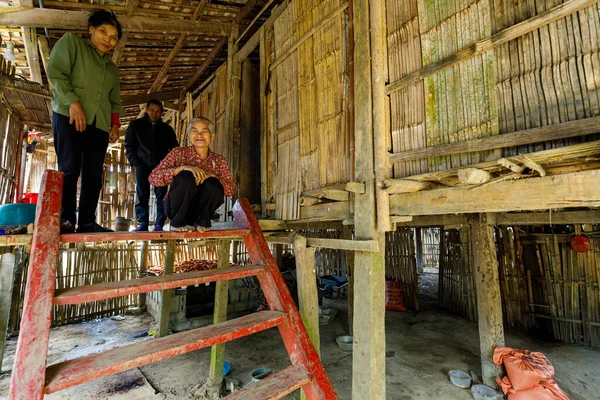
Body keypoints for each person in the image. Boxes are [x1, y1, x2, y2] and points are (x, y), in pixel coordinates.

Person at [48, 10, 124, 233]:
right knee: (69, 169)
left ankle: (87, 222)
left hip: (99, 125)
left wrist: (115, 125)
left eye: (113, 38)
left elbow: (114, 100)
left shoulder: (111, 69)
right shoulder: (72, 43)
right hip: (68, 116)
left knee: (93, 175)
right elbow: (56, 73)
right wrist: (72, 102)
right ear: (91, 28)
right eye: (103, 32)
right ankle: (67, 220)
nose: (107, 40)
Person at [149, 117, 235, 232]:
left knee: (214, 183)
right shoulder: (178, 153)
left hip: (200, 213)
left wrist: (213, 176)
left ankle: (201, 222)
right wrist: (181, 168)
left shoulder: (219, 161)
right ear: (189, 135)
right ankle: (177, 223)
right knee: (186, 176)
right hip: (175, 209)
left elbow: (230, 190)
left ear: (212, 136)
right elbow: (153, 177)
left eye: (204, 131)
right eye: (194, 131)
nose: (199, 135)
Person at [125, 99, 179, 232]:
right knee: (142, 194)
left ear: (161, 113)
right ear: (147, 110)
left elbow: (174, 149)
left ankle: (159, 224)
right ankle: (143, 223)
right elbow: (129, 146)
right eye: (152, 110)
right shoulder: (136, 125)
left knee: (161, 195)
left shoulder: (166, 129)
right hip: (142, 164)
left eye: (158, 111)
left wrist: (168, 165)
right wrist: (136, 163)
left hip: (161, 166)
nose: (155, 113)